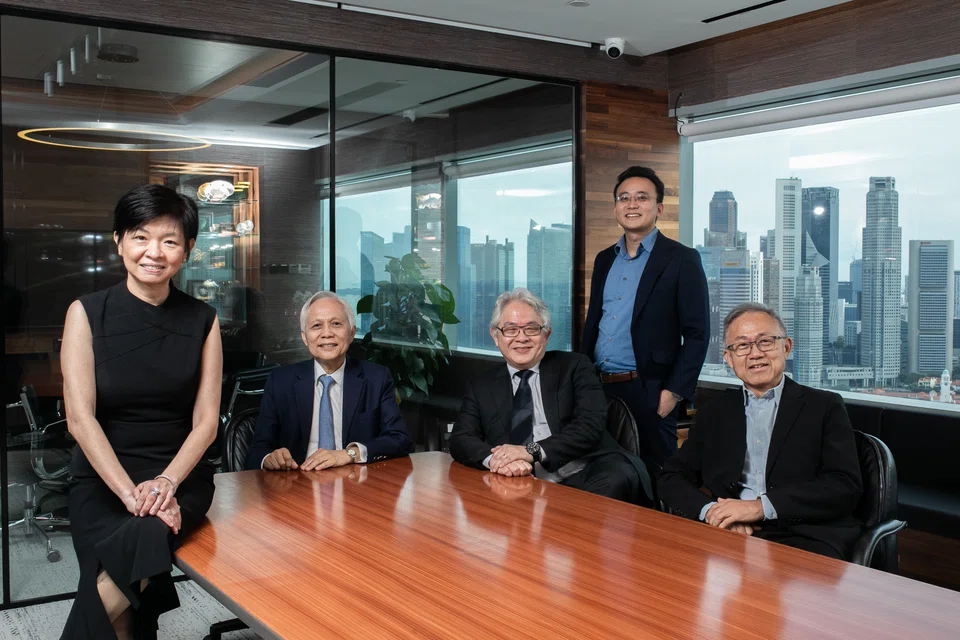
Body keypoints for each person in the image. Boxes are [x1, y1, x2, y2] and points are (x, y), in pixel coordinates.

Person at [60, 184, 222, 639]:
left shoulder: (203, 320)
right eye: (140, 236)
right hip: (103, 476)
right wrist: (131, 494)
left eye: (169, 240)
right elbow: (80, 418)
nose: (154, 252)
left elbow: (207, 421)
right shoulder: (87, 313)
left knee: (142, 542)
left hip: (180, 476)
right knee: (127, 598)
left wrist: (166, 485)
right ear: (119, 241)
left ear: (187, 250)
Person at [658, 302, 863, 560]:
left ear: (786, 347)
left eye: (765, 342)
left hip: (805, 534)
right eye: (742, 345)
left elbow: (844, 486)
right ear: (729, 358)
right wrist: (714, 512)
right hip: (731, 533)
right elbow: (670, 478)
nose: (754, 353)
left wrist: (760, 508)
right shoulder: (715, 412)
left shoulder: (825, 406)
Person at [449, 288, 652, 505]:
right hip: (518, 483)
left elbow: (589, 427)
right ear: (496, 336)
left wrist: (530, 451)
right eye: (510, 329)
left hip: (583, 475)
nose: (522, 338)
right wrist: (496, 461)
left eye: (532, 329)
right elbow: (461, 438)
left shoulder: (575, 367)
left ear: (546, 334)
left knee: (615, 479)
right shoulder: (482, 385)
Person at [581, 165, 709, 467]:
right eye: (623, 198)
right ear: (615, 207)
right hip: (600, 387)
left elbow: (697, 333)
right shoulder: (604, 260)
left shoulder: (681, 259)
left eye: (642, 197)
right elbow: (593, 325)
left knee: (655, 478)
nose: (632, 204)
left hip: (649, 390)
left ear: (659, 207)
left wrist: (673, 393)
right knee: (602, 473)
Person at [245, 291, 413, 471]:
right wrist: (270, 458)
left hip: (355, 484)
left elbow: (399, 439)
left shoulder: (376, 378)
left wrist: (349, 454)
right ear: (304, 337)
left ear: (351, 332)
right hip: (296, 485)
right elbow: (258, 449)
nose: (327, 333)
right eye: (317, 325)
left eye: (336, 324)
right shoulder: (280, 381)